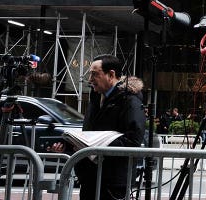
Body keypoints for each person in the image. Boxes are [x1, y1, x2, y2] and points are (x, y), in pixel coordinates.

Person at [51, 54, 145, 200]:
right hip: (89, 178)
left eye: (95, 74)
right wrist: (68, 145)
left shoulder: (130, 100)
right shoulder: (95, 98)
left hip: (112, 182)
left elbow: (132, 141)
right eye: (90, 74)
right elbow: (89, 134)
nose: (90, 80)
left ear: (111, 74)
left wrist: (95, 146)